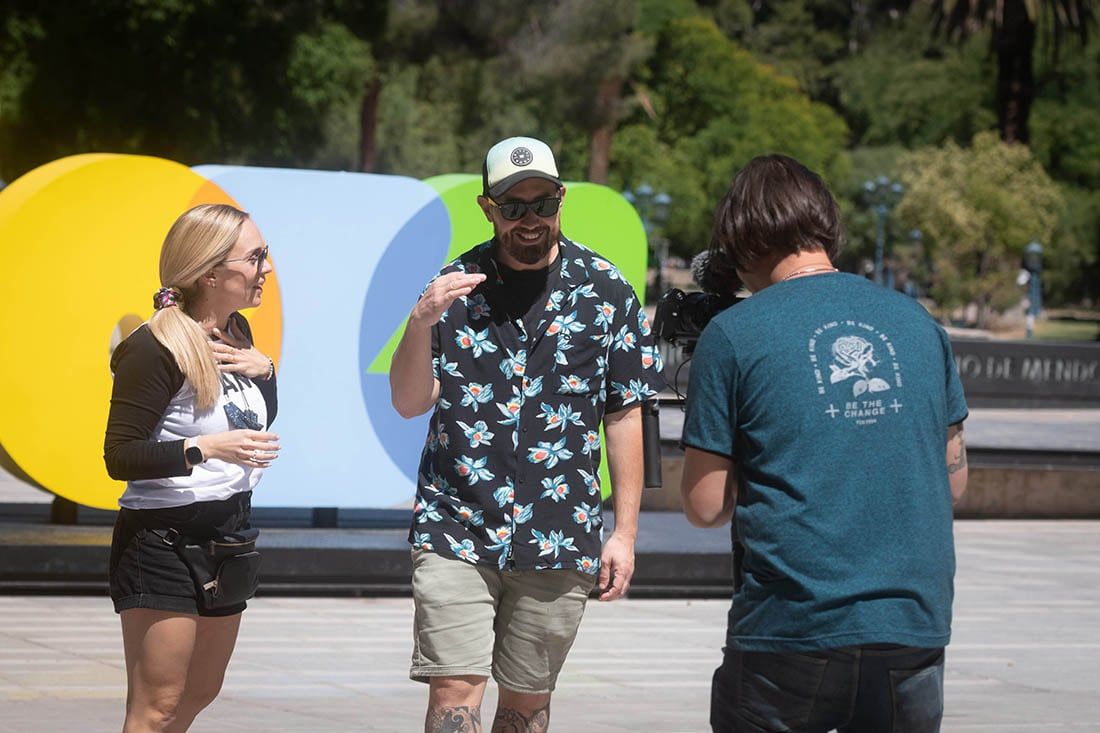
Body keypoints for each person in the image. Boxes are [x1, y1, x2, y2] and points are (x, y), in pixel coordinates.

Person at [679, 155, 969, 733]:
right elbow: (953, 482)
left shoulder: (733, 335)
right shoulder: (919, 323)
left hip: (790, 628)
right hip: (912, 624)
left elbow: (705, 507)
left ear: (741, 239)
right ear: (826, 226)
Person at [391, 136, 664, 732]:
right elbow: (409, 402)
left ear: (561, 199)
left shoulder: (606, 290)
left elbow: (624, 413)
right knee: (452, 692)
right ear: (487, 209)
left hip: (559, 531)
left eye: (543, 203)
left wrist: (624, 533)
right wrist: (419, 322)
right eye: (514, 207)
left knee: (526, 705)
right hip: (457, 525)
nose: (531, 219)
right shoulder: (451, 288)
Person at [104, 203, 280, 732]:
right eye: (255, 257)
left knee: (200, 692)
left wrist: (266, 372)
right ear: (210, 273)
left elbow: (245, 418)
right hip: (163, 540)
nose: (267, 268)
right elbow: (120, 455)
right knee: (156, 706)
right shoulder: (154, 348)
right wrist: (204, 448)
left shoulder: (236, 332)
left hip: (228, 533)